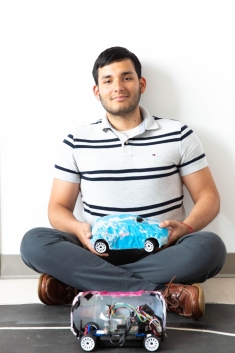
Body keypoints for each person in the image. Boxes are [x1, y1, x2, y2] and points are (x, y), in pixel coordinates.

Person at [20, 46, 226, 319]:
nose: (118, 86)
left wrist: (184, 228)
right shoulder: (77, 141)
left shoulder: (179, 135)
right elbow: (57, 207)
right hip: (96, 251)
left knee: (211, 247)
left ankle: (80, 285)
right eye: (107, 80)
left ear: (141, 83)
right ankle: (161, 294)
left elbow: (209, 198)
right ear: (97, 91)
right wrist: (79, 230)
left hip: (161, 248)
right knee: (33, 242)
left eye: (126, 77)